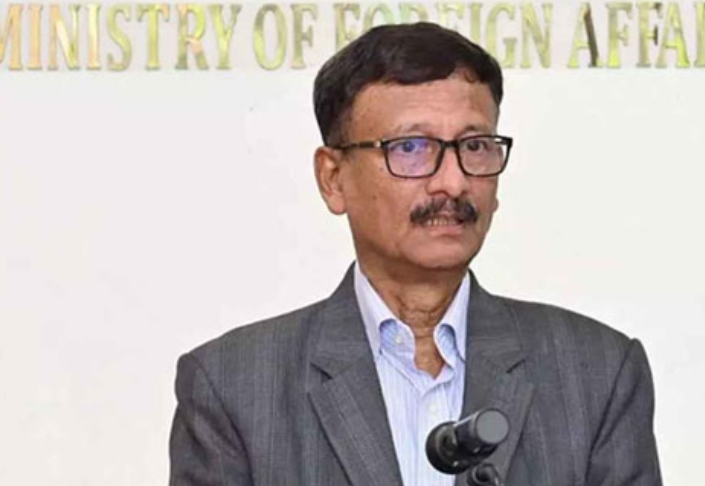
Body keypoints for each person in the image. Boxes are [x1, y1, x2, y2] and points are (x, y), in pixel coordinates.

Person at [169, 22, 662, 486]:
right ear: (333, 178)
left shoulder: (596, 371)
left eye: (475, 146)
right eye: (411, 147)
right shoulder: (234, 385)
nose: (453, 182)